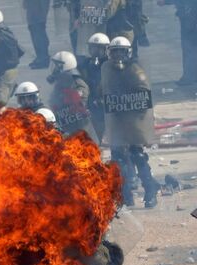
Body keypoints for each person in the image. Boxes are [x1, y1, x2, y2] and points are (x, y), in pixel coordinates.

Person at [102, 37, 159, 207]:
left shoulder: (136, 70)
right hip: (116, 121)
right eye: (115, 51)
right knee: (118, 160)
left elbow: (143, 94)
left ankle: (150, 191)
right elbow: (104, 87)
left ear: (128, 52)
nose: (118, 55)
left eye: (122, 51)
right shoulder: (107, 69)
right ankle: (125, 196)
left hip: (133, 122)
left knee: (138, 157)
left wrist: (128, 104)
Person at [46, 51, 96, 140]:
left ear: (64, 67)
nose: (54, 70)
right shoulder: (59, 85)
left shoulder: (78, 84)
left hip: (81, 133)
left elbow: (78, 105)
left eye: (57, 67)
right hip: (66, 131)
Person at [158, 0, 197, 86]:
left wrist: (166, 1)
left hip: (190, 15)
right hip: (190, 13)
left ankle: (189, 76)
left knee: (189, 46)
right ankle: (191, 75)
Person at [79, 33, 110, 142]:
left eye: (99, 49)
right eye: (93, 48)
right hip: (91, 102)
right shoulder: (85, 64)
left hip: (106, 103)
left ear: (106, 49)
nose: (95, 52)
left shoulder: (110, 65)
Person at [23, 0, 52, 69]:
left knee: (38, 32)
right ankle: (40, 56)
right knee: (34, 30)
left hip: (38, 8)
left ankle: (43, 58)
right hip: (33, 7)